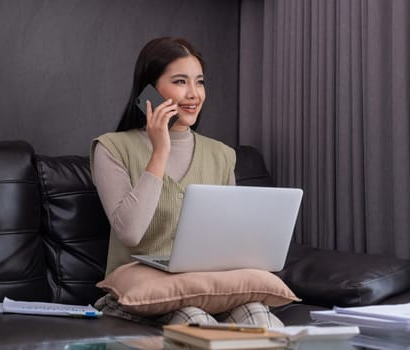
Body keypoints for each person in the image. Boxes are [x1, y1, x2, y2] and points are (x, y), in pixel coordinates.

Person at [90, 37, 283, 327]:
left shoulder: (222, 155)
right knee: (194, 320)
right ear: (150, 90)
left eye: (200, 82)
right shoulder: (112, 148)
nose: (194, 94)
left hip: (203, 287)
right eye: (180, 82)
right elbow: (130, 232)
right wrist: (160, 151)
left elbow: (226, 239)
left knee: (258, 316)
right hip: (141, 295)